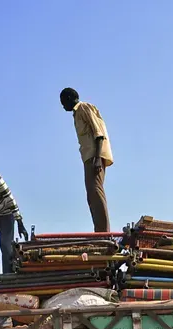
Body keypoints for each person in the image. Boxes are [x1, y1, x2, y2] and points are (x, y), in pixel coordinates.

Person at [60, 88, 112, 233]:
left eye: (63, 102)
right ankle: (99, 230)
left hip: (94, 155)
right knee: (91, 195)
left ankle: (103, 233)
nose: (63, 106)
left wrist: (97, 158)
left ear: (70, 97)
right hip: (88, 156)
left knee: (96, 191)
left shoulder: (83, 107)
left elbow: (99, 134)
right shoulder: (76, 114)